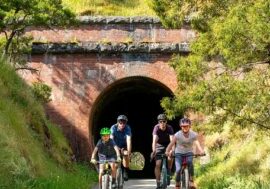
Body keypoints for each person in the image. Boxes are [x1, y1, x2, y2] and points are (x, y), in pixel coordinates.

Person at [165, 118, 204, 189]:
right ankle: (177, 184)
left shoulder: (193, 134)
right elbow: (171, 144)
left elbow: (197, 143)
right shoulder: (177, 135)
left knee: (190, 163)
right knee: (178, 169)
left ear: (189, 126)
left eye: (186, 126)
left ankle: (191, 181)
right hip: (178, 153)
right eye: (183, 126)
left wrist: (201, 151)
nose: (185, 127)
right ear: (181, 126)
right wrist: (167, 151)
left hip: (189, 152)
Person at [151, 113, 174, 189]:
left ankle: (169, 170)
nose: (162, 123)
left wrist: (172, 150)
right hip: (159, 146)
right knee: (158, 164)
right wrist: (154, 151)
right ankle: (158, 183)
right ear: (158, 122)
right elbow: (154, 141)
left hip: (168, 145)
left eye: (164, 121)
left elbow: (172, 141)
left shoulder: (169, 128)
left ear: (166, 122)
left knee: (170, 156)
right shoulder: (156, 128)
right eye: (160, 121)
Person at [110, 114, 132, 181]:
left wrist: (129, 152)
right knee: (115, 164)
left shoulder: (127, 128)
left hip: (123, 146)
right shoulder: (113, 127)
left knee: (126, 155)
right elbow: (111, 139)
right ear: (118, 122)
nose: (122, 124)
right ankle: (113, 179)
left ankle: (125, 171)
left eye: (124, 123)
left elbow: (129, 140)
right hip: (115, 145)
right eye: (120, 123)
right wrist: (116, 149)